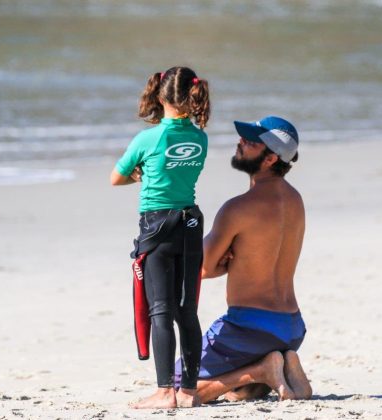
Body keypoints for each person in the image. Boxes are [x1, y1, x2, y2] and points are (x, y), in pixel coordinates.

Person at [175, 116, 313, 403]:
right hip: (292, 327)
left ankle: (261, 370)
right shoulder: (295, 201)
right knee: (236, 395)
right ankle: (275, 369)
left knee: (179, 388)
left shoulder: (237, 209)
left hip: (250, 327)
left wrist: (224, 261)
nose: (240, 143)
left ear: (270, 158)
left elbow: (201, 268)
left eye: (250, 142)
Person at [110, 66, 210, 409]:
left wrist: (141, 175)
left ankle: (165, 391)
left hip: (157, 226)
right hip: (191, 227)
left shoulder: (147, 139)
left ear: (160, 96)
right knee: (188, 312)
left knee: (161, 311)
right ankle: (189, 392)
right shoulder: (200, 138)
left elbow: (116, 178)